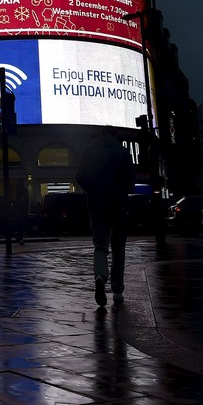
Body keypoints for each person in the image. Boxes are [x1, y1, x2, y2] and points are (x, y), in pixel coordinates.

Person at [76, 126, 136, 307]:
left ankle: (100, 276)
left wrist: (92, 191)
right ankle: (117, 290)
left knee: (100, 245)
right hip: (118, 204)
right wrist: (123, 191)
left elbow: (80, 176)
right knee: (119, 247)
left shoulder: (90, 151)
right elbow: (130, 181)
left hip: (97, 204)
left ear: (100, 136)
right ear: (114, 136)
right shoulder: (123, 152)